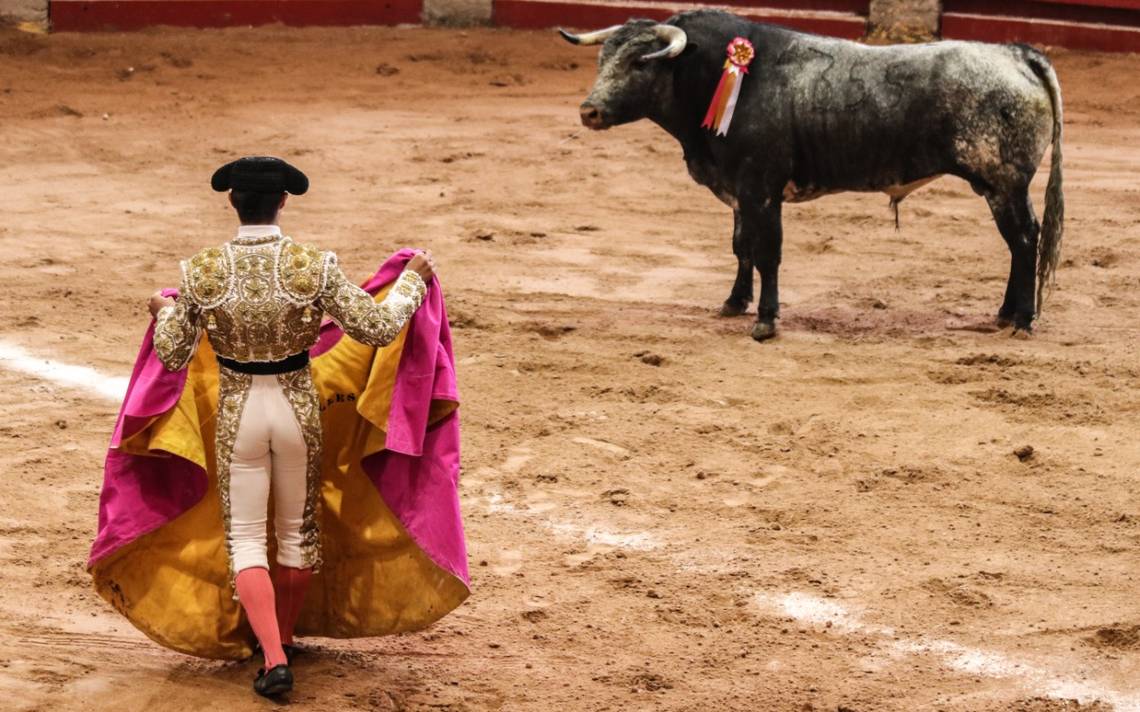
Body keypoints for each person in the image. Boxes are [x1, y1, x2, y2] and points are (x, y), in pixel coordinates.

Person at [148, 156, 436, 697]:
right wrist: (410, 285)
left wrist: (162, 309)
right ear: (283, 203)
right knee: (297, 534)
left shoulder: (202, 270)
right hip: (296, 409)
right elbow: (376, 328)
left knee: (247, 538)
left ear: (233, 202)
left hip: (240, 412)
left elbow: (173, 354)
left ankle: (274, 657)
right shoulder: (312, 265)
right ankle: (278, 639)